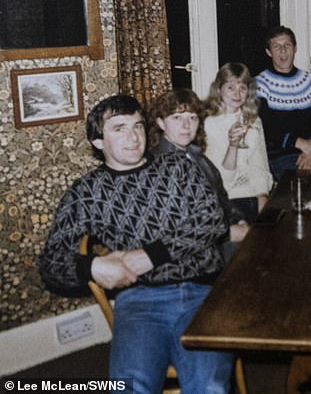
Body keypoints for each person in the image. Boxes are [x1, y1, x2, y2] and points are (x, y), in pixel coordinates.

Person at [39, 95, 234, 394]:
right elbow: (50, 263)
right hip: (141, 302)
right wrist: (93, 265)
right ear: (98, 141)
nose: (133, 137)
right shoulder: (87, 192)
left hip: (201, 293)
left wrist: (150, 256)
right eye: (119, 129)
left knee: (209, 387)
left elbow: (212, 221)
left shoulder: (178, 167)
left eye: (138, 126)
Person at [147, 88, 250, 260]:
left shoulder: (195, 155)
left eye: (192, 118)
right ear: (161, 123)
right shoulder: (159, 165)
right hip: (194, 257)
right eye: (177, 117)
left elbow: (222, 199)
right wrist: (228, 234)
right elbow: (175, 228)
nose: (186, 125)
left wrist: (239, 221)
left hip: (219, 237)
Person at [255, 25, 311, 180]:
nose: (283, 51)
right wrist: (299, 143)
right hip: (277, 157)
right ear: (269, 52)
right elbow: (263, 129)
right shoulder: (260, 84)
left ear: (295, 48)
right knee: (304, 186)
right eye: (277, 46)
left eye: (287, 45)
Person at [205, 63, 273, 223]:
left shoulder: (254, 120)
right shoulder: (208, 123)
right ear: (218, 89)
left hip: (252, 195)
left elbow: (259, 165)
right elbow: (222, 180)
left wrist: (262, 195)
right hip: (225, 199)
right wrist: (233, 146)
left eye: (242, 87)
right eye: (230, 87)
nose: (237, 93)